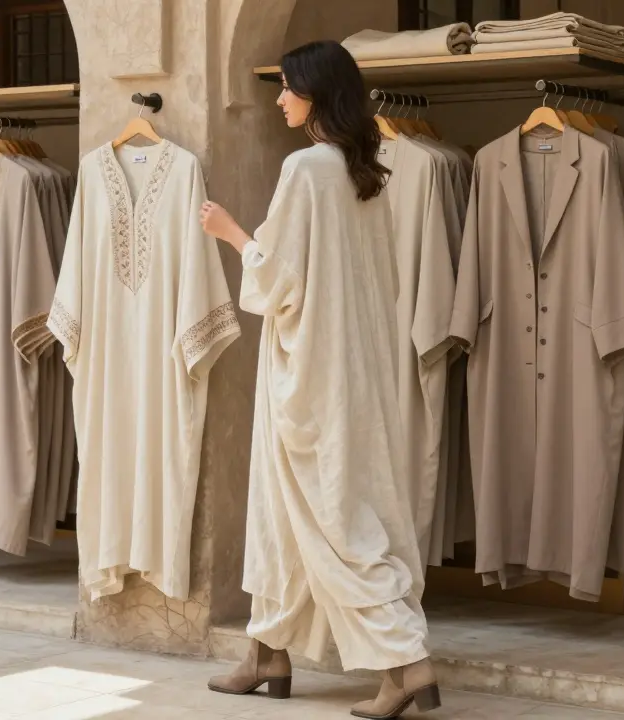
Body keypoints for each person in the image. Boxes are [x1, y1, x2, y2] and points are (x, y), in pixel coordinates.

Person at [200, 40, 440, 720]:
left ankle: (407, 663)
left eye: (287, 87)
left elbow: (277, 275)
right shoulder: (367, 174)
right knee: (290, 513)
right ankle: (267, 651)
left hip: (309, 375)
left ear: (317, 92)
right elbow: (383, 282)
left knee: (339, 519)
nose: (278, 98)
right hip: (358, 371)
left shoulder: (307, 168)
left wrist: (231, 233)